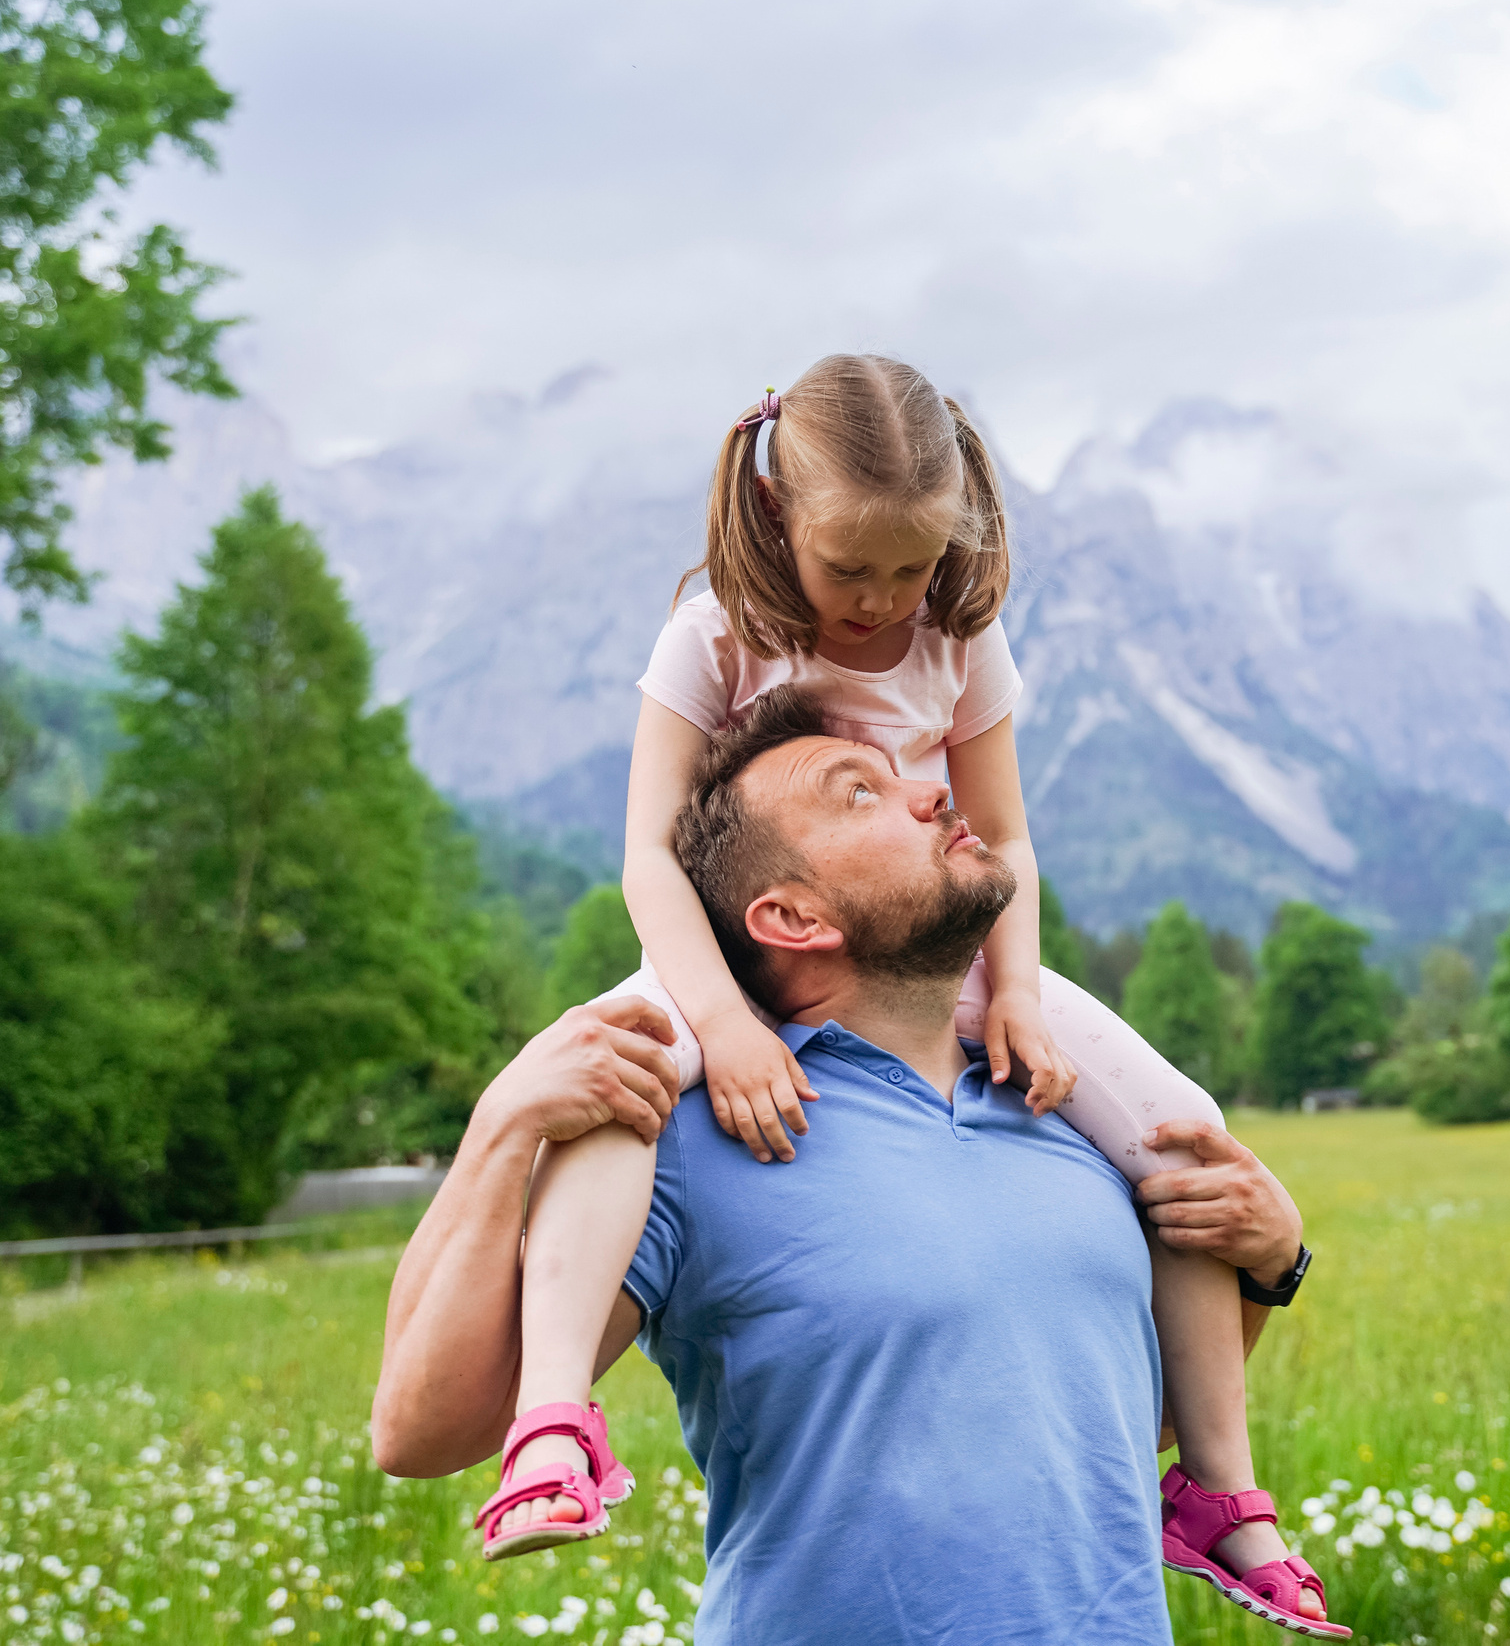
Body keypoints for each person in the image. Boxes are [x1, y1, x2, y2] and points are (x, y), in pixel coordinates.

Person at [490, 354, 1329, 1629]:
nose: (882, 600)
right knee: (621, 1090)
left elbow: (1005, 837)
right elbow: (650, 854)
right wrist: (716, 1024)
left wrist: (1023, 999)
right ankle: (550, 1421)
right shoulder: (714, 628)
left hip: (926, 942)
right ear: (780, 521)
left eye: (910, 568)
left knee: (1181, 1128)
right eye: (850, 569)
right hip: (734, 947)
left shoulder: (959, 633)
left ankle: (1221, 1487)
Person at [372, 688, 1346, 1642]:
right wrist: (499, 1131)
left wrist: (1271, 1267)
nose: (932, 791)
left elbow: (1107, 1435)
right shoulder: (691, 1137)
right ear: (792, 918)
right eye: (858, 794)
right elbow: (420, 1437)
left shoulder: (1068, 1108)